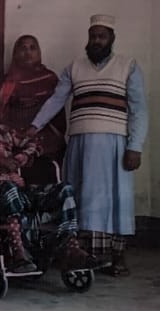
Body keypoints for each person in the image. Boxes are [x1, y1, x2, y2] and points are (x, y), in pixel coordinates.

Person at [29, 14, 148, 276]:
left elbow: (139, 109)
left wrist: (135, 146)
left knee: (116, 200)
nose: (96, 41)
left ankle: (117, 257)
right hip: (80, 145)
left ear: (112, 38)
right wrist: (34, 126)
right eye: (93, 36)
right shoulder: (74, 67)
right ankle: (81, 255)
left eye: (102, 36)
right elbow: (56, 100)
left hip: (115, 146)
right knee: (80, 197)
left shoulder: (128, 66)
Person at [0, 94, 86, 274]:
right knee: (8, 187)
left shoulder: (5, 132)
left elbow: (34, 143)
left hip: (17, 188)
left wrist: (18, 159)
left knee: (64, 189)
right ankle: (18, 252)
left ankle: (71, 247)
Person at [0, 34, 66, 162]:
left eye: (32, 48)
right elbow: (1, 112)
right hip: (13, 135)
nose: (28, 52)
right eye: (23, 48)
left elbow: (58, 115)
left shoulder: (49, 78)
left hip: (44, 135)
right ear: (16, 53)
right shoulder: (8, 80)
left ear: (39, 52)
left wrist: (35, 129)